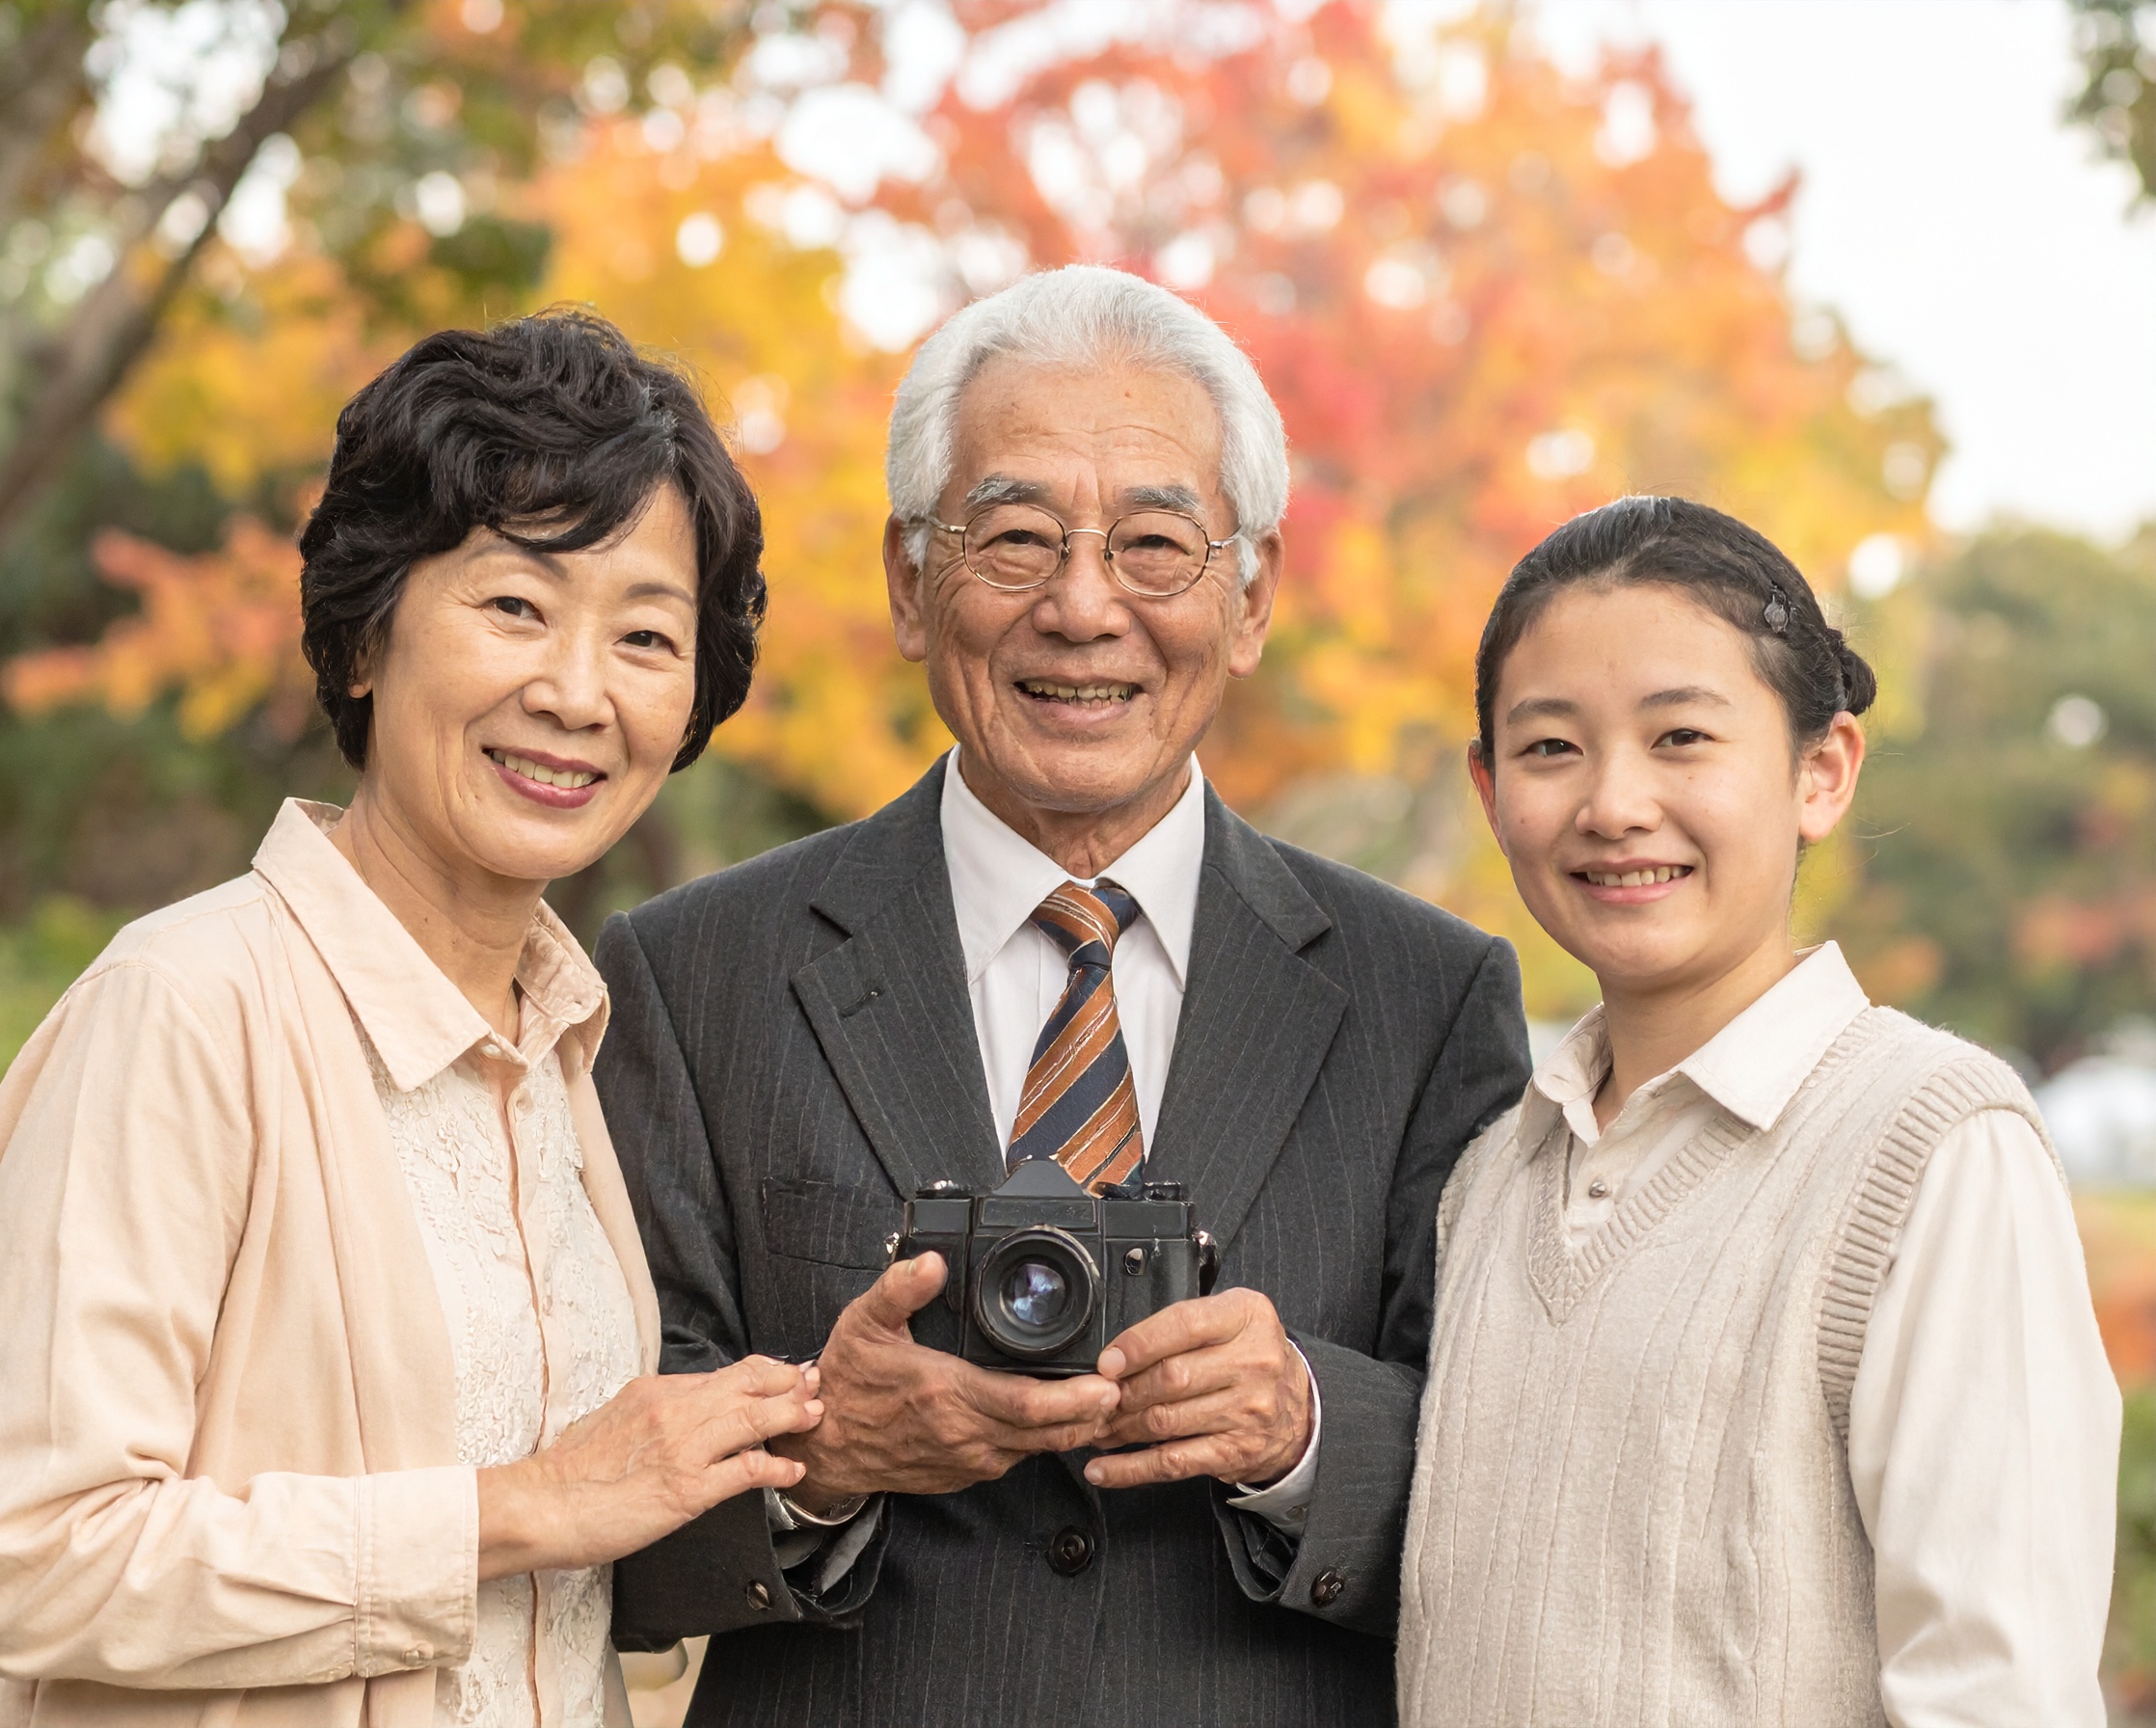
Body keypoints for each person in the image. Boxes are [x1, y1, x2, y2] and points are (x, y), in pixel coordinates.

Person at [593, 264, 1531, 1725]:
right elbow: (604, 1509)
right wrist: (824, 1451)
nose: (1084, 608)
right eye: (1015, 537)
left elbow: (1518, 1480)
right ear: (911, 583)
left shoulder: (1428, 996)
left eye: (1158, 543)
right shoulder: (694, 971)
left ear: (1253, 596)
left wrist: (1302, 1429)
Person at [0, 310, 825, 1728]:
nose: (577, 695)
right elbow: (36, 1558)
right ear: (363, 640)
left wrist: (834, 1448)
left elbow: (582, 1589)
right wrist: (520, 1511)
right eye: (514, 608)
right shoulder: (182, 1011)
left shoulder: (577, 1050)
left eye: (647, 637)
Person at [1398, 496, 2120, 1726]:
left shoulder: (1934, 1148)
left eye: (1681, 737)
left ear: (1820, 770)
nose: (1614, 805)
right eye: (1551, 747)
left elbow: (1996, 1692)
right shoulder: (1490, 1179)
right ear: (1489, 786)